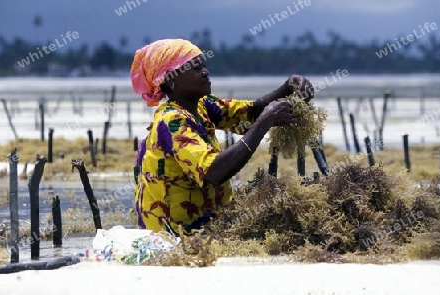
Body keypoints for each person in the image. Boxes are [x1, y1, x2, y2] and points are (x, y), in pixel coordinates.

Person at [130, 39, 314, 234]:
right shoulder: (172, 121)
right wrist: (266, 121)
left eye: (203, 65)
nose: (205, 72)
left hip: (205, 222)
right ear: (170, 80)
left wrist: (287, 88)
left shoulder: (202, 105)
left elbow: (249, 115)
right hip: (174, 233)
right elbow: (214, 172)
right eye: (195, 68)